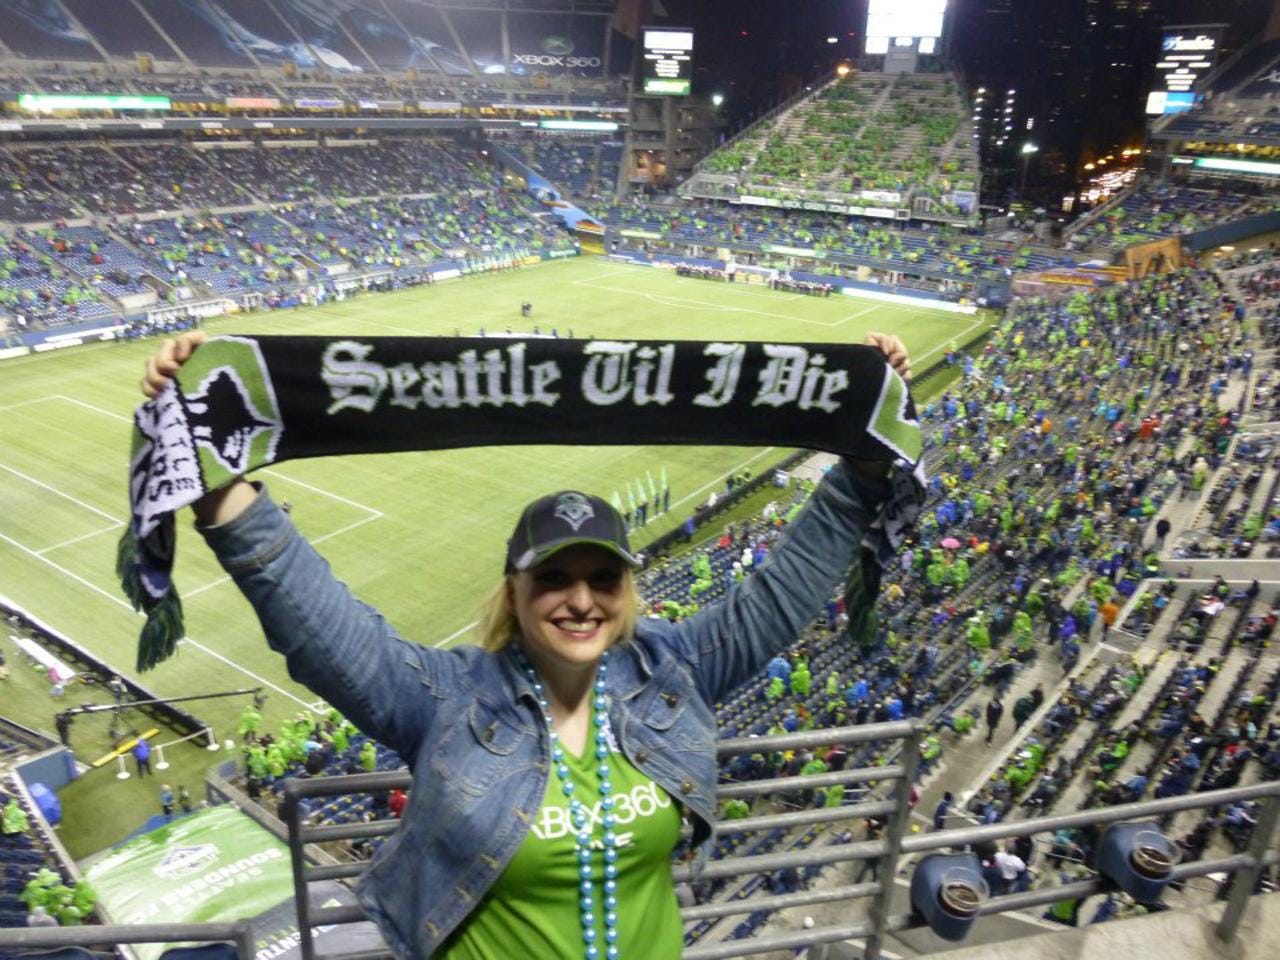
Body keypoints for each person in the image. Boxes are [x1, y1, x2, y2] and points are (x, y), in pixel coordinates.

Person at [138, 329, 916, 960]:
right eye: (553, 578)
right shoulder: (443, 699)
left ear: (628, 590)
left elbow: (784, 591)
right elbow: (315, 619)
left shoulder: (673, 670)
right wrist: (207, 467)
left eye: (603, 577)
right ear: (513, 590)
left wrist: (865, 433)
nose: (581, 599)